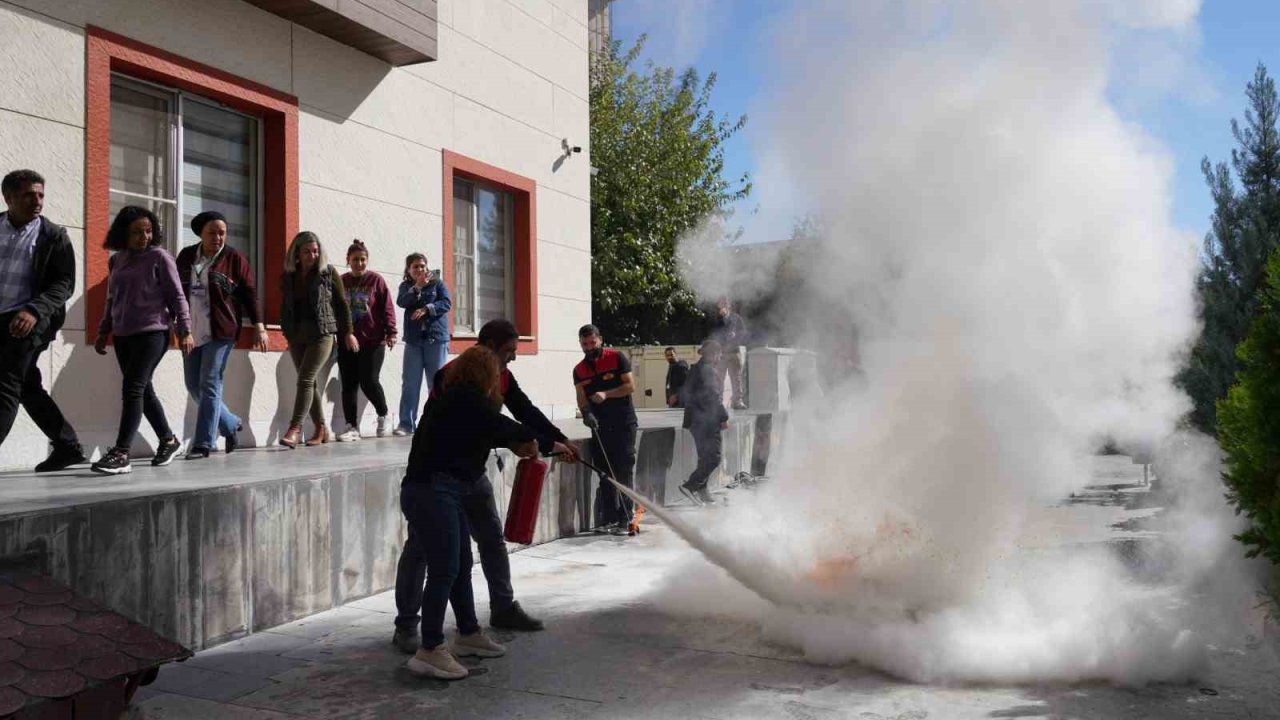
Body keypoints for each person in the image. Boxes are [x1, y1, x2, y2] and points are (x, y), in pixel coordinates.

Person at [393, 319, 579, 653]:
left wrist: (558, 439)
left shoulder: (502, 376)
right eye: (509, 351)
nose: (513, 358)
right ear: (489, 346)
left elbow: (524, 412)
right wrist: (531, 442)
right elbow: (477, 421)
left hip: (471, 475)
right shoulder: (456, 375)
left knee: (488, 539)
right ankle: (408, 625)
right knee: (425, 550)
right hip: (436, 479)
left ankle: (500, 609)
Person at [399, 345, 538, 680]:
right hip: (431, 491)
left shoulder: (456, 400)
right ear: (485, 375)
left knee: (460, 563)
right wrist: (534, 441)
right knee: (445, 568)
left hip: (444, 489)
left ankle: (467, 634)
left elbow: (490, 431)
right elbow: (501, 425)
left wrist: (532, 442)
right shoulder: (464, 399)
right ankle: (430, 649)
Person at [92, 206, 191, 474]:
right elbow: (111, 299)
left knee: (132, 388)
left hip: (153, 332)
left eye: (148, 231)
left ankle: (122, 453)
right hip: (123, 335)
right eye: (137, 232)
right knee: (143, 391)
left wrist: (185, 328)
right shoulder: (117, 260)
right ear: (124, 233)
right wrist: (103, 331)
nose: (144, 237)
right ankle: (168, 440)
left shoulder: (160, 257)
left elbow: (177, 295)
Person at [0, 169, 85, 472]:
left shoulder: (53, 236)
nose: (37, 201)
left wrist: (34, 310)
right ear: (8, 198)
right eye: (28, 195)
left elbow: (64, 283)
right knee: (25, 385)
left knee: (6, 382)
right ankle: (68, 446)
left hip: (30, 319)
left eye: (40, 195)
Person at [176, 211, 268, 459]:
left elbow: (250, 294)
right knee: (193, 386)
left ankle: (203, 443)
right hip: (191, 331)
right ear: (201, 234)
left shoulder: (234, 258)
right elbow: (174, 291)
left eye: (222, 233)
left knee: (210, 383)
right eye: (212, 232)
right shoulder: (186, 256)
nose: (218, 237)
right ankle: (230, 424)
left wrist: (259, 325)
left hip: (221, 330)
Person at [279, 231, 356, 448]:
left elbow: (341, 304)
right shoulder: (288, 276)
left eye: (315, 251)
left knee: (304, 379)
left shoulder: (328, 273)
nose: (312, 255)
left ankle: (295, 428)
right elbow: (286, 305)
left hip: (322, 333)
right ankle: (321, 428)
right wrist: (286, 329)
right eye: (306, 252)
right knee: (309, 383)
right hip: (296, 334)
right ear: (297, 253)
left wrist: (348, 332)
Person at [573, 324, 638, 532]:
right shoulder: (579, 369)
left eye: (592, 342)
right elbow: (581, 396)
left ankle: (626, 517)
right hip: (600, 426)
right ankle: (609, 518)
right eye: (585, 344)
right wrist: (587, 414)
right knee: (604, 473)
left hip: (623, 423)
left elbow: (630, 386)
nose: (589, 347)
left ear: (600, 339)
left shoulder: (617, 357)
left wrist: (606, 394)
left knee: (624, 470)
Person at [336, 240, 397, 441]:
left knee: (369, 381)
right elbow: (334, 309)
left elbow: (387, 307)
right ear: (348, 260)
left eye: (363, 260)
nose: (359, 263)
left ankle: (383, 414)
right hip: (347, 340)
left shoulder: (375, 280)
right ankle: (351, 427)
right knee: (349, 384)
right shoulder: (341, 281)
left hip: (373, 340)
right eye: (355, 260)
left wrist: (391, 332)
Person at [394, 253, 451, 436]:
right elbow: (402, 301)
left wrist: (427, 308)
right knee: (410, 383)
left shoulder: (438, 284)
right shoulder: (406, 287)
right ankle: (406, 424)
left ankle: (440, 423)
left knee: (437, 384)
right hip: (414, 341)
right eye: (415, 267)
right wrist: (417, 287)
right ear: (408, 270)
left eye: (422, 266)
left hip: (436, 340)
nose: (420, 270)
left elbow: (446, 303)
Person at [679, 339, 729, 505]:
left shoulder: (696, 369)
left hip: (695, 420)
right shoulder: (708, 371)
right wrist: (723, 417)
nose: (720, 357)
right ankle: (690, 486)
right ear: (713, 353)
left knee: (704, 457)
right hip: (707, 420)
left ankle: (702, 489)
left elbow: (687, 394)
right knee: (714, 457)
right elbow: (713, 396)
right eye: (719, 354)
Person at [712, 297, 748, 409]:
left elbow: (743, 333)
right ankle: (718, 401)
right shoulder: (716, 319)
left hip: (733, 352)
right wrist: (722, 318)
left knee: (736, 378)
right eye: (721, 303)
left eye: (725, 303)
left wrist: (735, 335)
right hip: (721, 353)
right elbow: (713, 335)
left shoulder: (736, 318)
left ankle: (738, 401)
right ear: (718, 305)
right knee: (719, 378)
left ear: (729, 305)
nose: (723, 305)